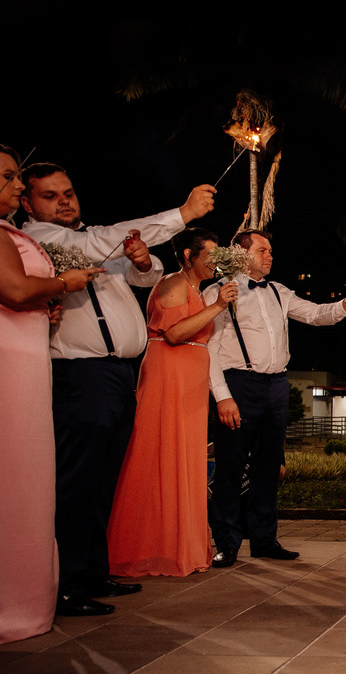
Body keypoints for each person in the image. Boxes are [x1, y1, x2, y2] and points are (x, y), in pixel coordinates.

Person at [21, 162, 216, 616]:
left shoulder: (86, 243)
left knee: (104, 479)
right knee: (77, 482)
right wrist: (182, 214)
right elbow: (98, 241)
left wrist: (144, 264)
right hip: (81, 374)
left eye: (68, 191)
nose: (65, 200)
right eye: (51, 195)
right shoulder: (41, 240)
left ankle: (93, 571)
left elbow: (136, 277)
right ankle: (67, 585)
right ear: (28, 204)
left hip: (118, 373)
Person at [205, 230, 346, 567]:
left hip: (277, 386)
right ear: (241, 254)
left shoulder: (279, 291)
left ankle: (264, 540)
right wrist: (222, 396)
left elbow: (314, 314)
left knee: (268, 468)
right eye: (263, 250)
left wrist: (344, 307)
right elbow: (211, 350)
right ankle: (226, 543)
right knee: (231, 470)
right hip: (238, 384)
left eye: (271, 250)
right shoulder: (220, 293)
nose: (270, 256)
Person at [0, 146, 101, 643]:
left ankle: (33, 587)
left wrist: (50, 302)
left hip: (25, 351)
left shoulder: (11, 232)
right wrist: (63, 282)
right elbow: (16, 291)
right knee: (22, 475)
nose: (15, 187)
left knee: (28, 477)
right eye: (8, 177)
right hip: (12, 358)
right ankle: (25, 596)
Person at [107, 229, 238, 576]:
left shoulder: (196, 288)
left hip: (190, 381)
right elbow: (174, 333)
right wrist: (218, 306)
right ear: (187, 256)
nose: (214, 262)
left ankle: (180, 546)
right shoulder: (173, 283)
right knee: (160, 454)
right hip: (168, 375)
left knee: (184, 458)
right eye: (207, 255)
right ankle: (148, 547)